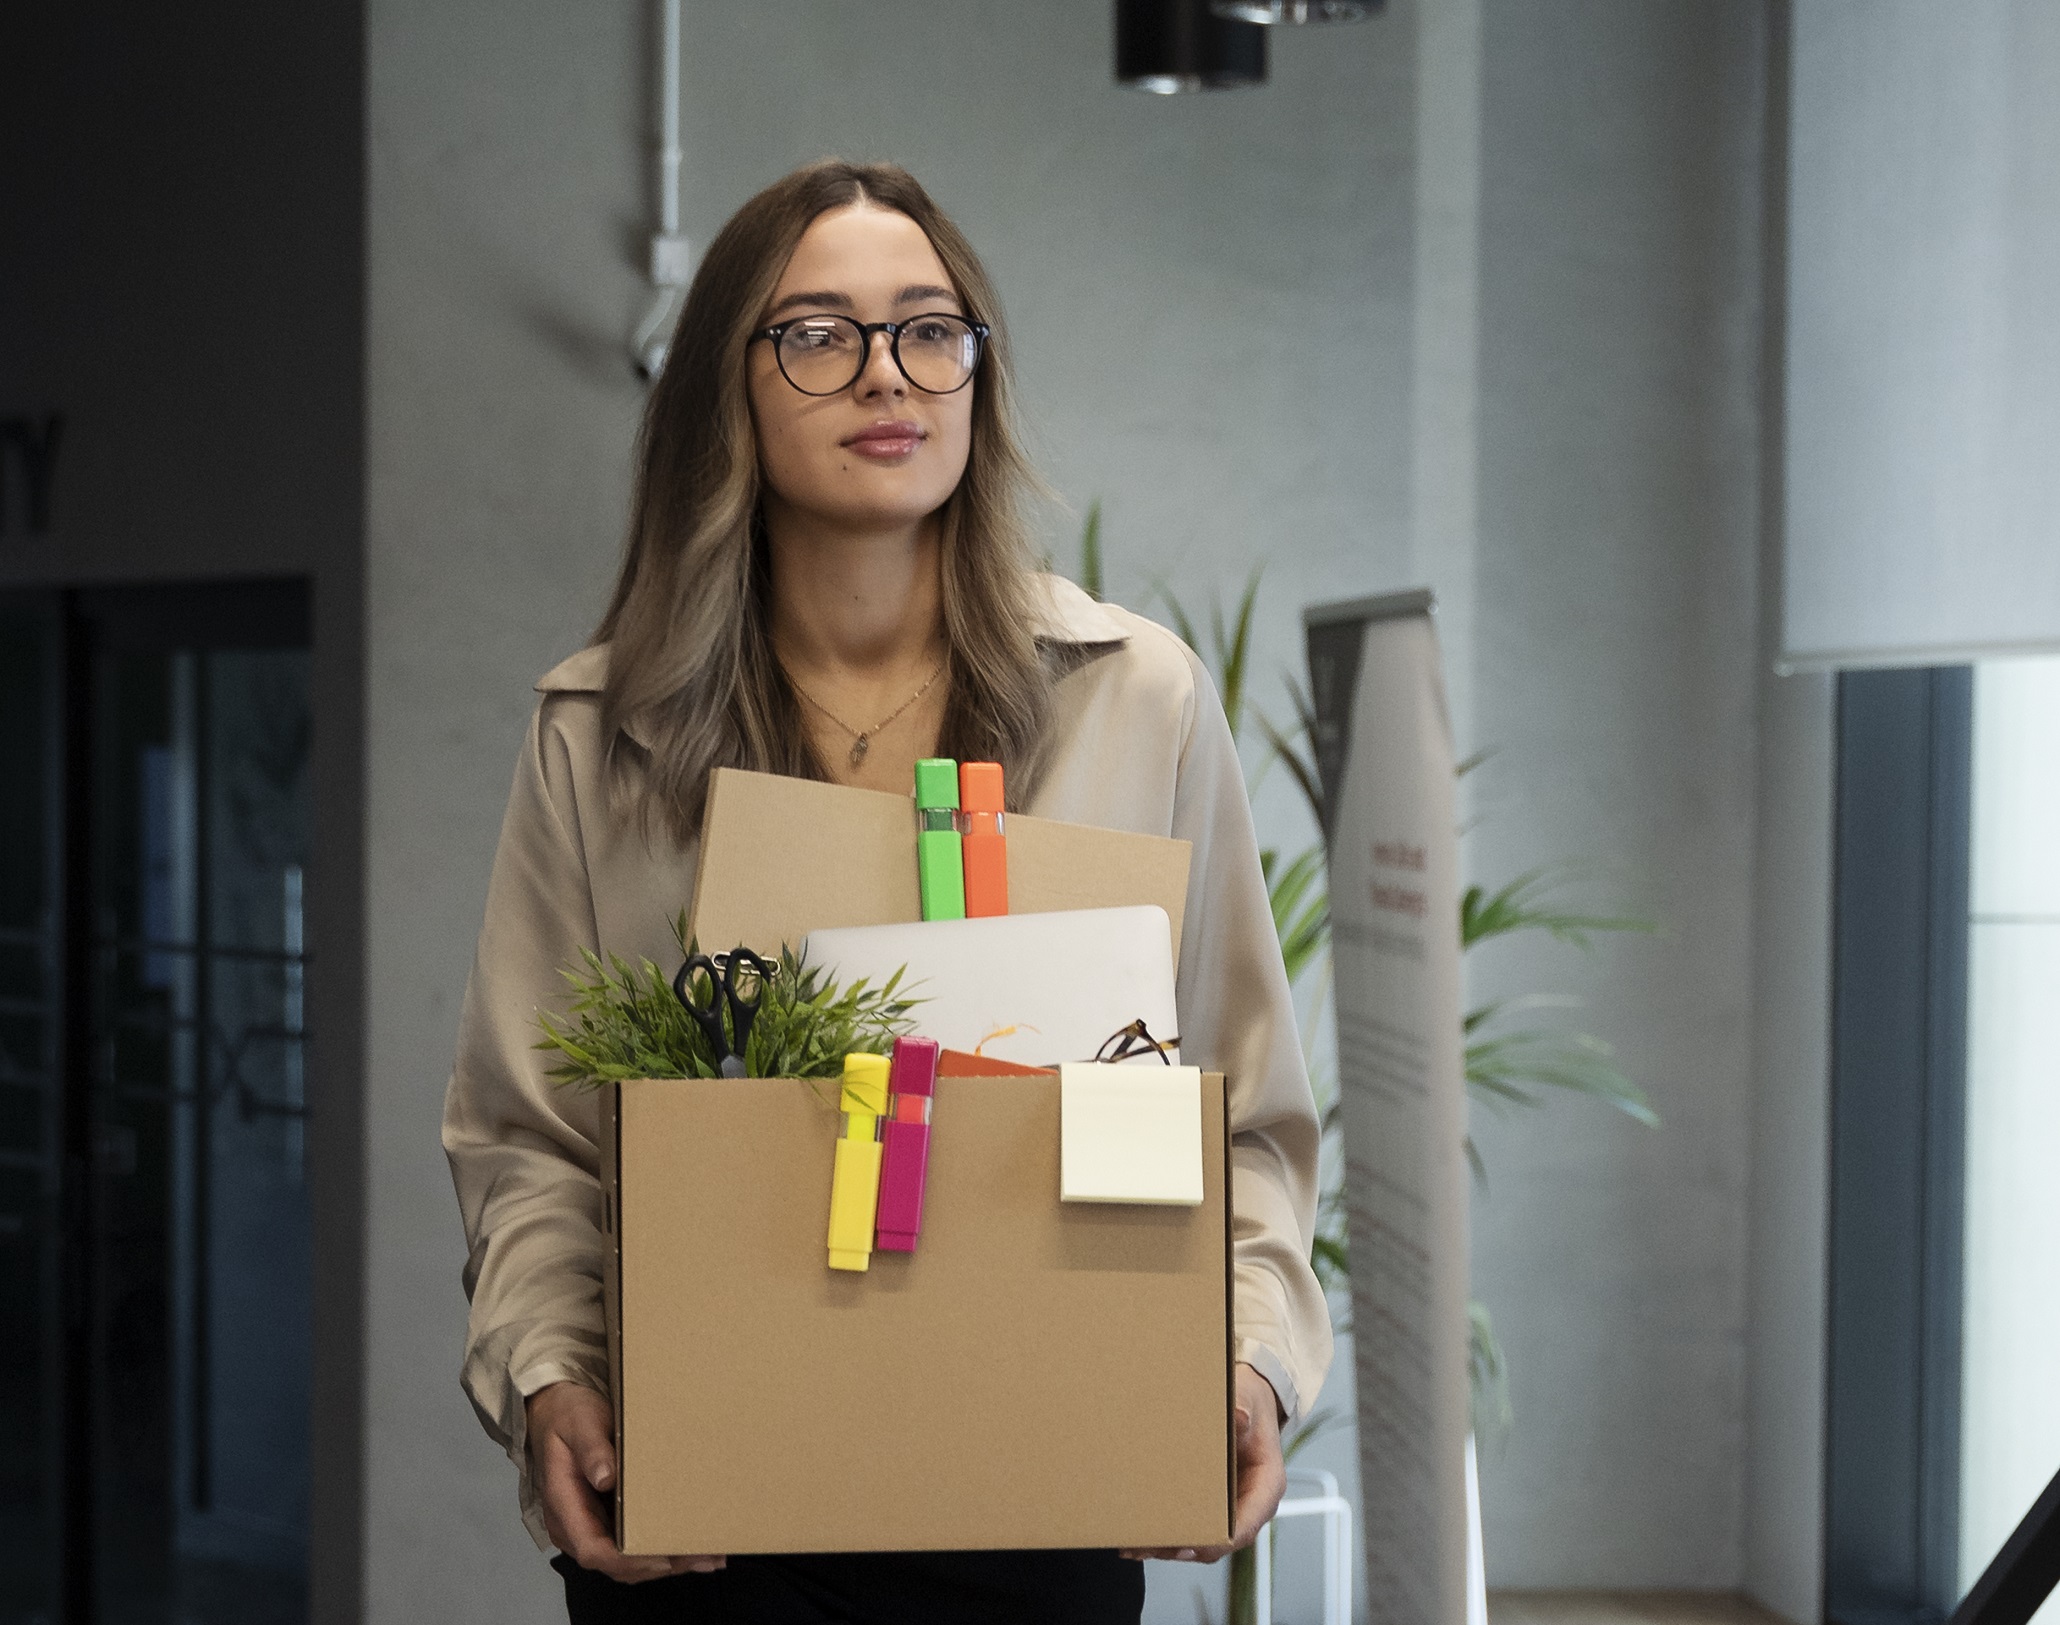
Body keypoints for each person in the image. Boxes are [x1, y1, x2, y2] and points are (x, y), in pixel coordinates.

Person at [443, 159, 1331, 1625]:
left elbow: (1244, 1112)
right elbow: (528, 1136)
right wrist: (550, 1375)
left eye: (931, 329)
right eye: (818, 333)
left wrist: (1247, 1355)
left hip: (1039, 1489)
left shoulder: (1135, 698)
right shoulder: (604, 730)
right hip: (708, 1508)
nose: (887, 374)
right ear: (724, 386)